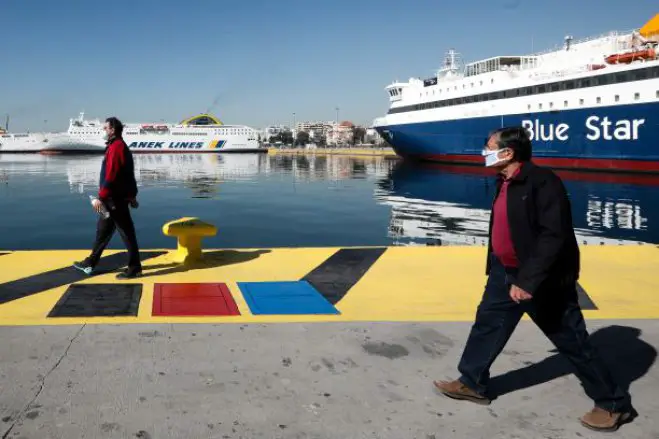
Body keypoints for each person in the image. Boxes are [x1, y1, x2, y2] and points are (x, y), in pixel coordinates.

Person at [433, 126, 633, 432]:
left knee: (572, 341)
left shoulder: (543, 182)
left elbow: (554, 237)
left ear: (507, 152)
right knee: (487, 325)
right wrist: (498, 265)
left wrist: (527, 281)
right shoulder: (504, 182)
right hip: (505, 271)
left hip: (542, 279)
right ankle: (472, 383)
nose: (483, 153)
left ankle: (613, 404)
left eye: (488, 147)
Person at [73, 117, 142, 279]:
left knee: (126, 233)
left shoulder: (117, 147)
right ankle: (90, 263)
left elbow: (112, 175)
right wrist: (132, 195)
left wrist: (100, 197)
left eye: (105, 128)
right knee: (102, 232)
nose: (103, 131)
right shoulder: (117, 146)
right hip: (115, 197)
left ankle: (134, 268)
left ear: (112, 130)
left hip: (114, 199)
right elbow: (128, 175)